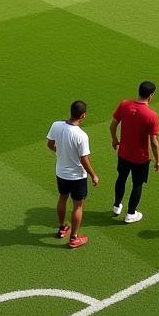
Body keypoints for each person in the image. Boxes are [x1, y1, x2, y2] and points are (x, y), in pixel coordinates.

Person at [47, 100, 99, 249]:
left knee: (62, 198)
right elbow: (84, 159)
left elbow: (50, 144)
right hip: (77, 177)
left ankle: (62, 227)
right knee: (78, 206)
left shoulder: (56, 125)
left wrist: (60, 152)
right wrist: (93, 175)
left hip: (61, 173)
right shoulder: (81, 136)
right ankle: (74, 238)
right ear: (83, 115)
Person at [109, 81, 159, 224]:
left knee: (121, 178)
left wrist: (114, 139)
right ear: (151, 95)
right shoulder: (152, 115)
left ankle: (117, 205)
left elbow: (112, 125)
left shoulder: (124, 105)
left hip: (123, 153)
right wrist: (157, 160)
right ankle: (131, 213)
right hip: (141, 158)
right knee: (137, 184)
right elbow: (154, 142)